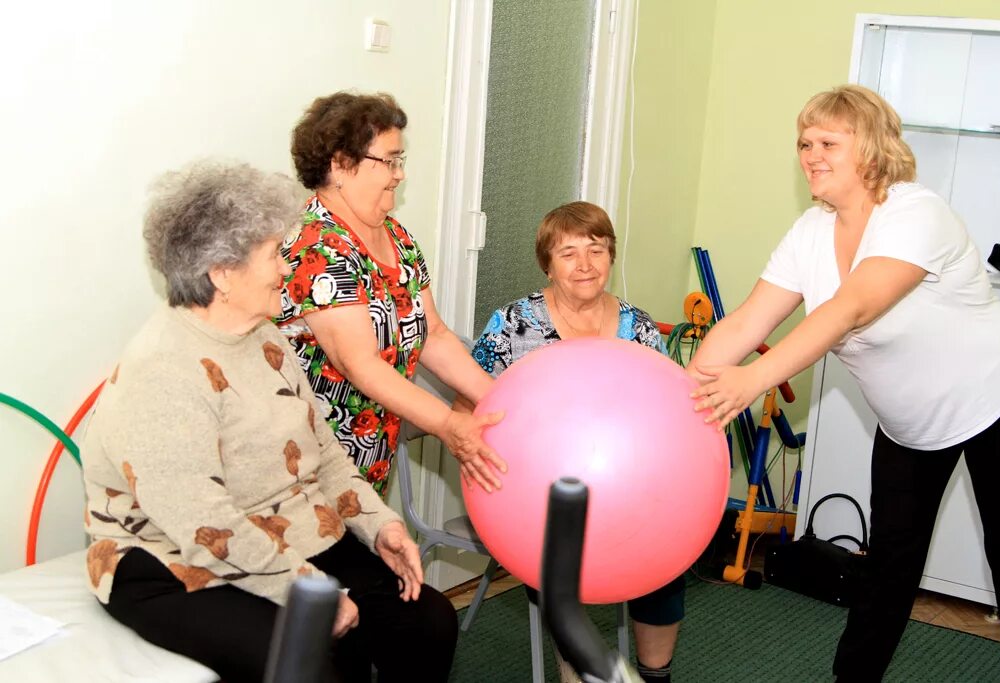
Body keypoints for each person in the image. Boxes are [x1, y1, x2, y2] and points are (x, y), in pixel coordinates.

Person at [687, 84, 1000, 682]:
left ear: (870, 148)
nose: (811, 155)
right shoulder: (810, 232)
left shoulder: (916, 213)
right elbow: (745, 322)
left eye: (828, 143)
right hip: (911, 424)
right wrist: (684, 394)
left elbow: (851, 309)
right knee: (887, 570)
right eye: (804, 143)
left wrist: (753, 380)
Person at [81, 161, 457, 683]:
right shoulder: (162, 372)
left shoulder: (264, 336)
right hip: (172, 561)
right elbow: (206, 527)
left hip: (278, 527)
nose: (286, 267)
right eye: (274, 254)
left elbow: (325, 453)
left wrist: (380, 526)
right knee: (310, 660)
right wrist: (310, 589)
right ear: (222, 274)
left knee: (427, 621)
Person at [467, 201, 683, 683]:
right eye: (568, 253)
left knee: (663, 559)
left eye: (596, 249)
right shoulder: (512, 325)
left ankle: (655, 676)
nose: (585, 264)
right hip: (536, 495)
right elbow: (467, 408)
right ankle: (577, 671)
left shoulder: (639, 328)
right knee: (559, 558)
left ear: (611, 257)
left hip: (626, 486)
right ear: (547, 264)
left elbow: (668, 415)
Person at [277, 91, 505, 497]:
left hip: (368, 466)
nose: (400, 174)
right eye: (390, 160)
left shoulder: (397, 236)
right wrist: (447, 423)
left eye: (401, 161)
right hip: (304, 472)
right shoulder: (317, 246)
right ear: (341, 164)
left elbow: (434, 335)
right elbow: (359, 363)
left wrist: (503, 402)